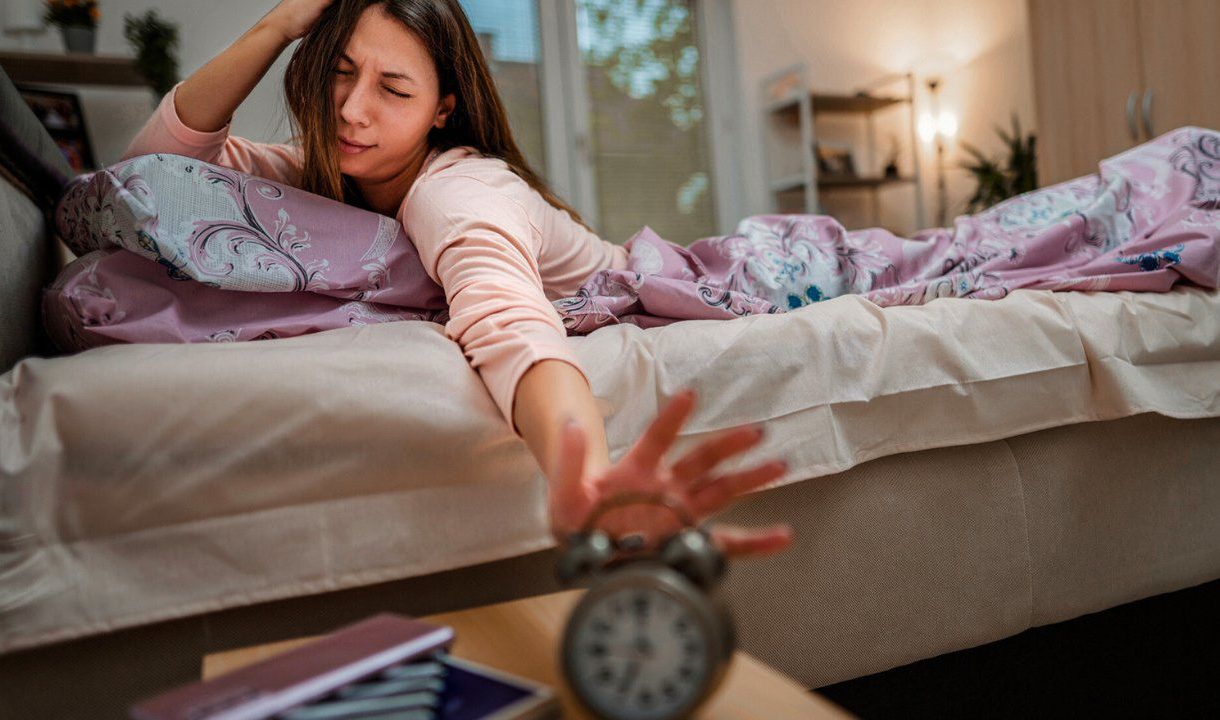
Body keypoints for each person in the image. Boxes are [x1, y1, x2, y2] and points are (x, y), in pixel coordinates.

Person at [121, 0, 792, 558]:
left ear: (442, 109)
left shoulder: (456, 193)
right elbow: (148, 180)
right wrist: (276, 27)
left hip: (716, 271)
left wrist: (581, 476)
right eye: (340, 72)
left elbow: (508, 323)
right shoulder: (321, 174)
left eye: (393, 89)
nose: (353, 109)